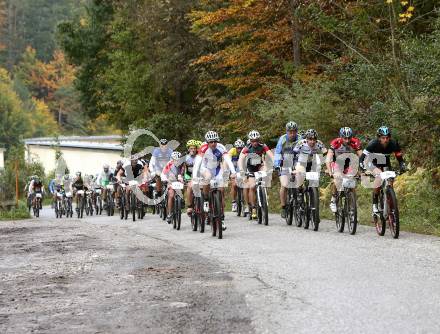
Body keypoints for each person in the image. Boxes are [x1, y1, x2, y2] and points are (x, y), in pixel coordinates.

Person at [193, 131, 236, 231]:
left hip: (217, 169)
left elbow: (228, 160)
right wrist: (195, 176)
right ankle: (206, 200)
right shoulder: (203, 148)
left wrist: (233, 172)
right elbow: (197, 163)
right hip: (205, 168)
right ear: (207, 142)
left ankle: (221, 219)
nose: (213, 144)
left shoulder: (221, 147)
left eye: (215, 142)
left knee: (220, 191)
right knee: (207, 178)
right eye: (211, 142)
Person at [360, 126, 406, 213]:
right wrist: (362, 168)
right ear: (379, 138)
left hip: (385, 162)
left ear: (390, 137)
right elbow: (362, 158)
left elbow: (400, 158)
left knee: (390, 181)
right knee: (379, 177)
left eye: (387, 137)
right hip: (373, 162)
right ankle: (375, 204)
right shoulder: (373, 144)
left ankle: (391, 204)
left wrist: (402, 166)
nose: (385, 140)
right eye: (383, 138)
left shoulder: (393, 144)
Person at [238, 130, 274, 219]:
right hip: (251, 168)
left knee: (265, 174)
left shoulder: (263, 146)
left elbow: (270, 154)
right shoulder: (247, 148)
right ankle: (253, 207)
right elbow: (241, 159)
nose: (255, 143)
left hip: (260, 166)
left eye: (256, 140)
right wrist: (242, 170)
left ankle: (264, 193)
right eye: (253, 141)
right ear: (250, 141)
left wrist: (274, 164)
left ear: (259, 140)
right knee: (252, 186)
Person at [326, 127, 363, 213]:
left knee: (352, 184)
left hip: (348, 164)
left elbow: (362, 157)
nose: (347, 140)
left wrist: (364, 170)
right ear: (341, 137)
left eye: (349, 138)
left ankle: (353, 206)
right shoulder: (335, 142)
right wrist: (330, 171)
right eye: (345, 138)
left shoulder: (355, 142)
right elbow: (328, 158)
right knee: (337, 179)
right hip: (337, 163)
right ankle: (333, 200)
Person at [274, 121, 302, 218]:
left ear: (296, 131)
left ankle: (299, 196)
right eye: (290, 132)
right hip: (285, 162)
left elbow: (304, 151)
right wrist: (277, 164)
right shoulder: (282, 139)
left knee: (300, 178)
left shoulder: (300, 139)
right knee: (284, 185)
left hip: (296, 162)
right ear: (286, 132)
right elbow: (277, 153)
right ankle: (283, 207)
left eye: (294, 132)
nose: (292, 134)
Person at [162, 151, 185, 224]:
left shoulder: (183, 165)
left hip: (179, 182)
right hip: (170, 182)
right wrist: (164, 179)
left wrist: (184, 179)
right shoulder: (169, 164)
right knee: (171, 195)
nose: (176, 161)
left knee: (182, 190)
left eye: (178, 159)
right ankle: (169, 213)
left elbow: (185, 173)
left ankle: (181, 201)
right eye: (174, 159)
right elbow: (163, 173)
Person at [183, 139, 200, 215]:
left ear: (197, 149)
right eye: (191, 148)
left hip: (198, 175)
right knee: (189, 187)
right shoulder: (185, 157)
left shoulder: (199, 157)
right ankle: (189, 206)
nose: (193, 150)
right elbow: (182, 168)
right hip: (188, 175)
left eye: (194, 148)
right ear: (188, 149)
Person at [228, 139, 245, 213]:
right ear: (235, 148)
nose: (239, 149)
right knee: (234, 185)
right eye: (238, 148)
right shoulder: (232, 151)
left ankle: (245, 202)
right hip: (233, 170)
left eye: (241, 148)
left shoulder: (244, 151)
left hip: (241, 170)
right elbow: (227, 160)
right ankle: (234, 202)